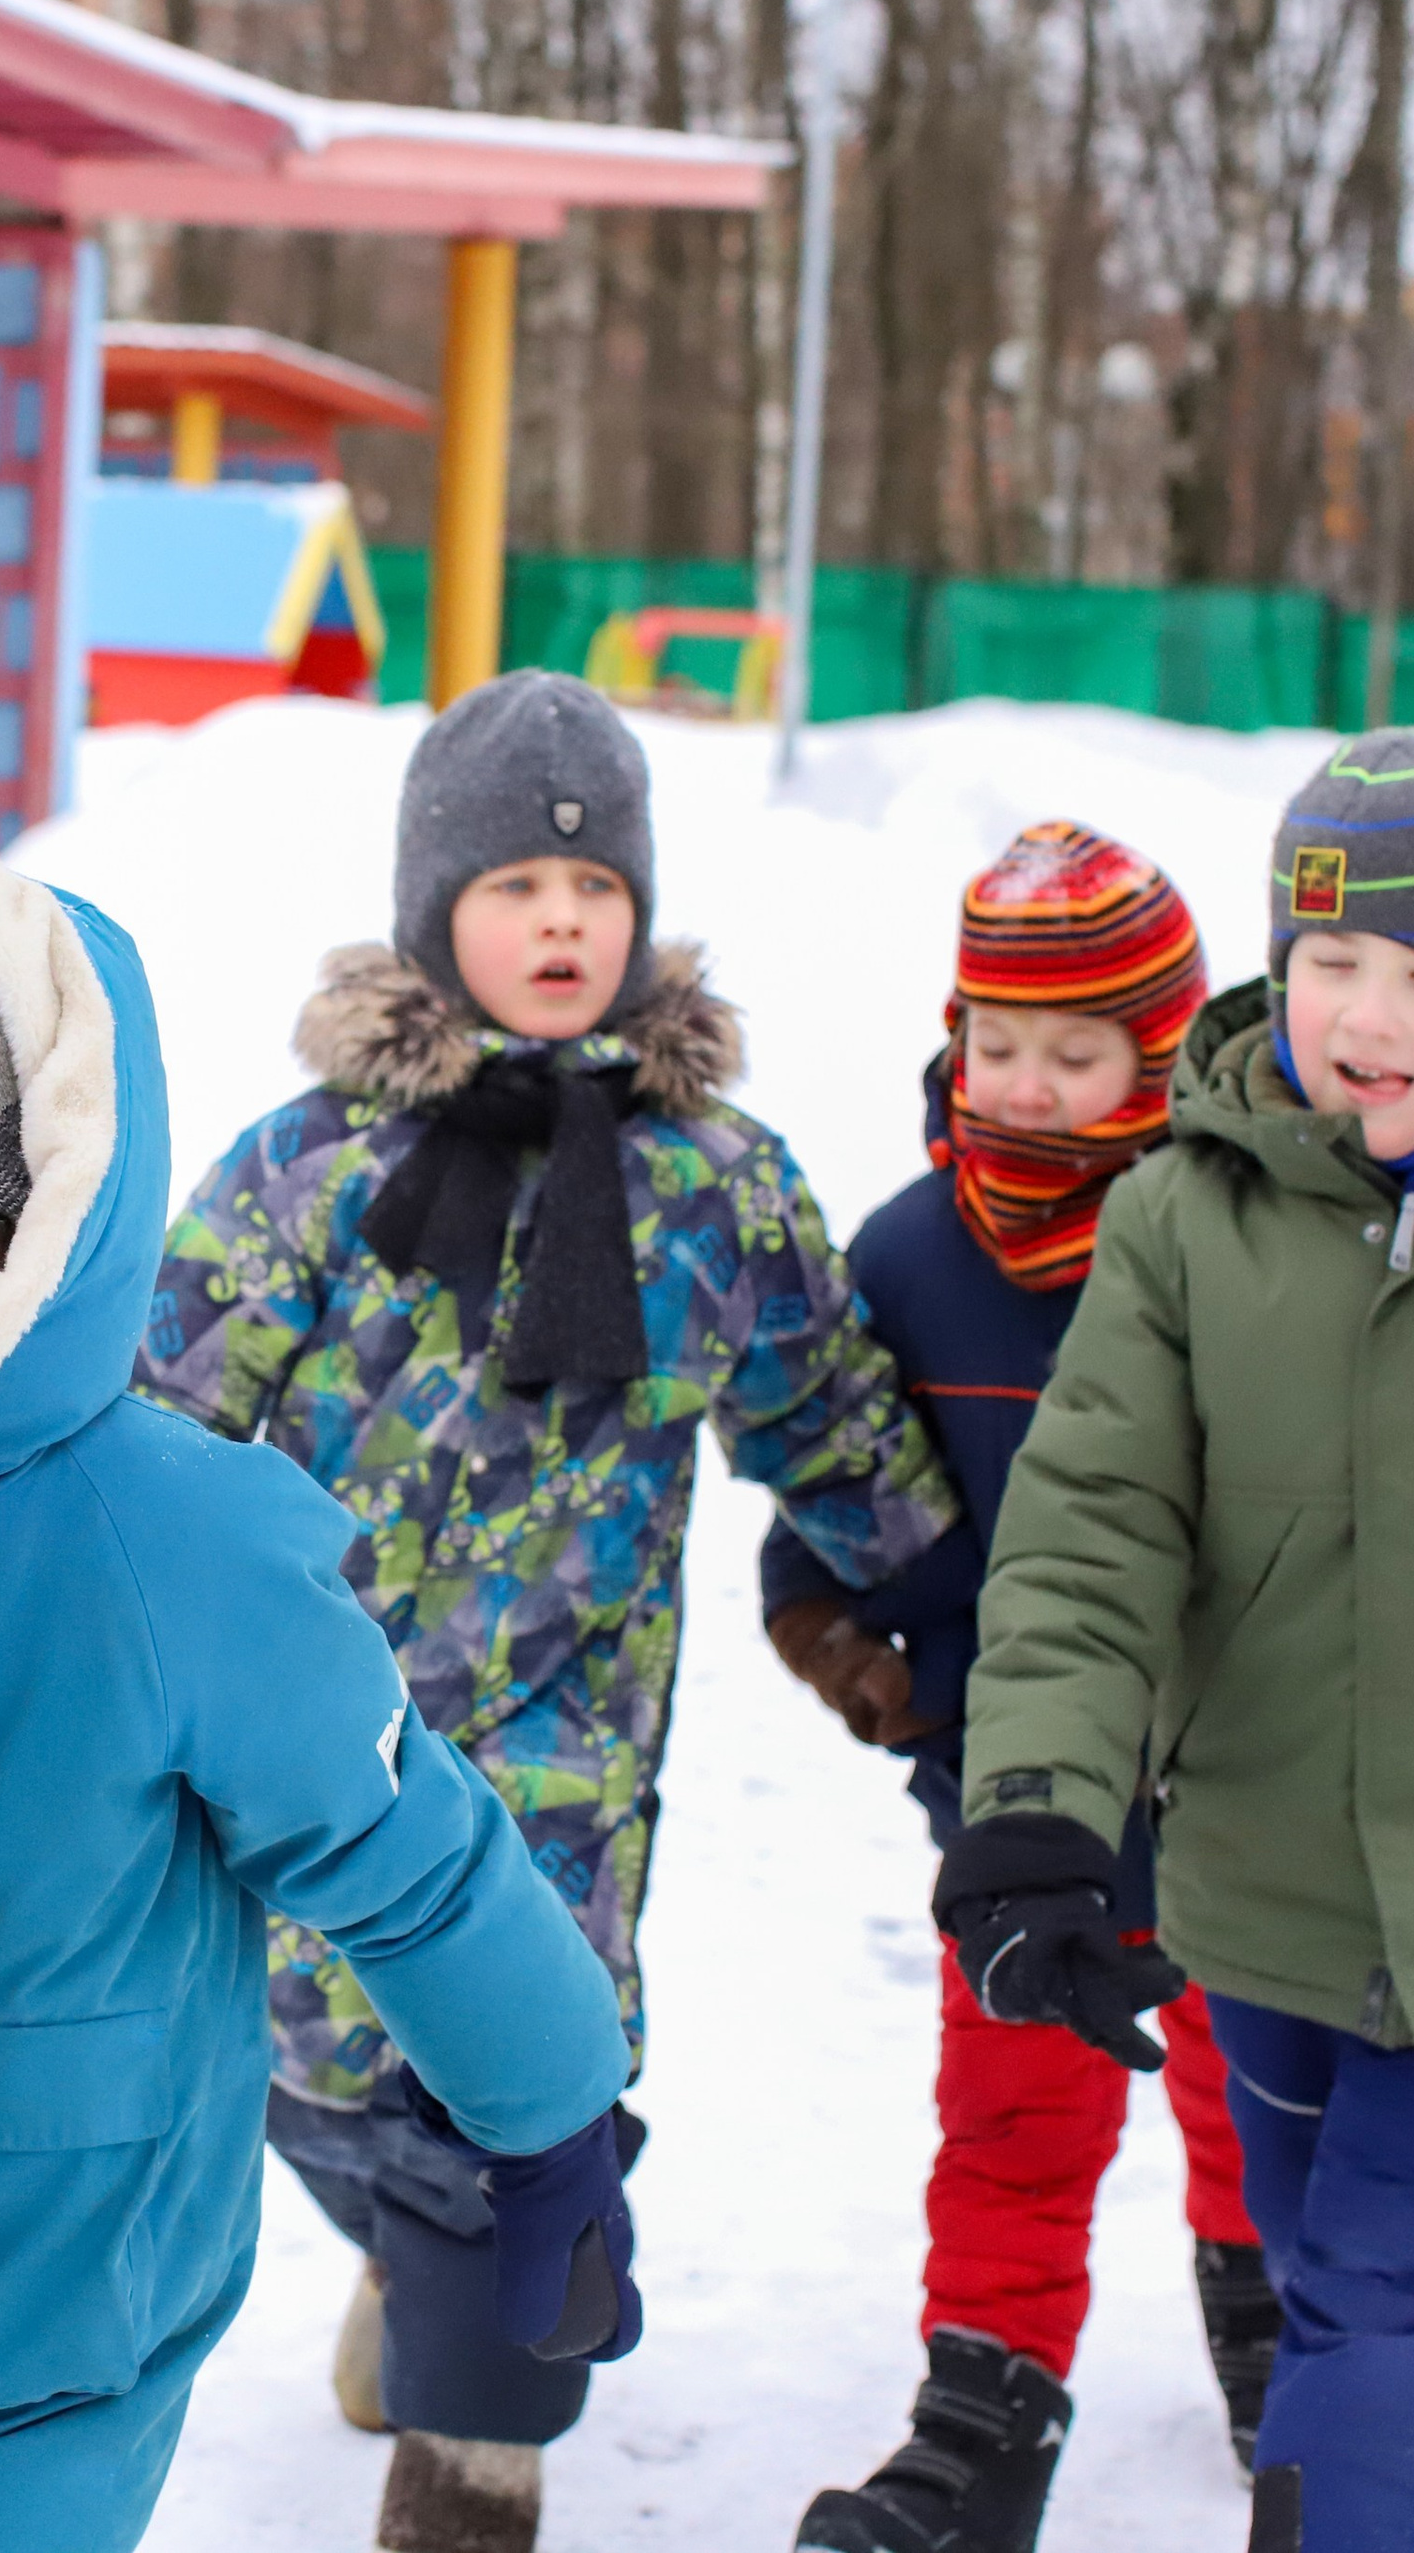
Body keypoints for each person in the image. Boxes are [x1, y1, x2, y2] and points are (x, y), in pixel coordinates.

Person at [0, 827, 641, 2553]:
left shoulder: (179, 1540)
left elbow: (413, 1858)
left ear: (49, 1218)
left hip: (66, 2310)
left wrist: (548, 2126)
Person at [134, 669, 960, 2553]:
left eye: (596, 892)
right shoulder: (312, 1169)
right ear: (439, 911)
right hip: (315, 1756)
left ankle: (469, 2477)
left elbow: (834, 1423)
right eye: (518, 888)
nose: (563, 923)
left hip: (567, 1771)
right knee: (318, 2086)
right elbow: (164, 1428)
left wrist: (940, 1590)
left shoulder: (712, 1189)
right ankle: (412, 2291)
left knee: (513, 2125)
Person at [759, 823, 1270, 2553]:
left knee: (1252, 2082)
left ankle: (1281, 2345)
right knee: (1012, 2113)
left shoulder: (1238, 1244)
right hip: (1018, 1801)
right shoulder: (911, 1257)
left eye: (1077, 1054)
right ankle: (985, 2406)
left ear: (1157, 1048)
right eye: (998, 1046)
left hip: (1238, 1788)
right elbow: (835, 1500)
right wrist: (859, 1658)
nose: (1029, 1090)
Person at [937, 731, 1414, 2553]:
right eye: (1332, 965)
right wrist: (1042, 1814)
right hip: (1269, 1914)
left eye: (1413, 970)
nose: (1366, 1013)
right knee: (1320, 2276)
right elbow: (1088, 1531)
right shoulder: (1184, 1220)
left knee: (1369, 2342)